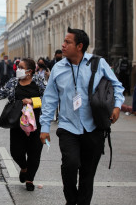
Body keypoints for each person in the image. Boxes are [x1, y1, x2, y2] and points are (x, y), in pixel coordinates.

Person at [40, 27, 125, 205]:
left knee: (88, 173)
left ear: (79, 46)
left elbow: (117, 86)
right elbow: (49, 99)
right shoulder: (58, 68)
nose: (63, 45)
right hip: (67, 126)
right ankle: (71, 201)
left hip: (93, 127)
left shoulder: (97, 63)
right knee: (69, 165)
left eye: (67, 42)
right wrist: (45, 127)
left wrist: (117, 107)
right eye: (64, 41)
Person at [0, 58, 46, 191]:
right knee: (16, 152)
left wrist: (32, 101)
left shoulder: (38, 82)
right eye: (17, 67)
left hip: (36, 123)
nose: (17, 69)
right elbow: (1, 93)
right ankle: (24, 168)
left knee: (34, 153)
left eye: (21, 67)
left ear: (30, 71)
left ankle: (29, 179)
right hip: (17, 122)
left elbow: (49, 98)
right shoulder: (13, 82)